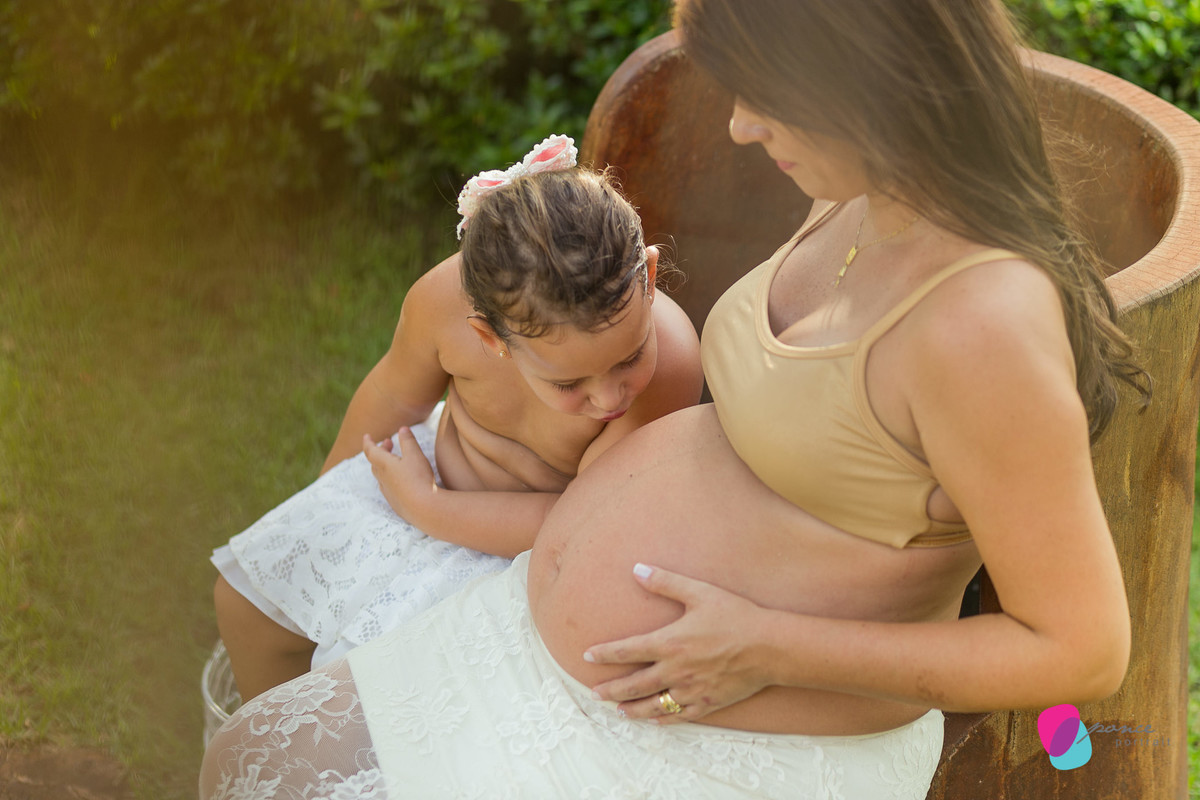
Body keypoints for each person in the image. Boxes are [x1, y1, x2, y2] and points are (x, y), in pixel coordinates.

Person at [200, 1, 1150, 797]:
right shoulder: (859, 201)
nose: (739, 124)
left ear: (860, 82)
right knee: (251, 759)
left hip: (738, 729)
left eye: (763, 93)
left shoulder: (980, 324)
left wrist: (768, 648)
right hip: (568, 658)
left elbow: (1080, 650)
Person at [210, 134, 704, 702]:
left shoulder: (669, 360)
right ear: (489, 338)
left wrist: (430, 509)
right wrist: (328, 502)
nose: (609, 395)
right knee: (245, 602)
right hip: (427, 485)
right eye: (568, 383)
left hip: (532, 551)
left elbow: (587, 520)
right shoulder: (443, 302)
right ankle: (279, 765)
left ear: (649, 274)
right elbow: (393, 397)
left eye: (628, 356)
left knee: (381, 682)